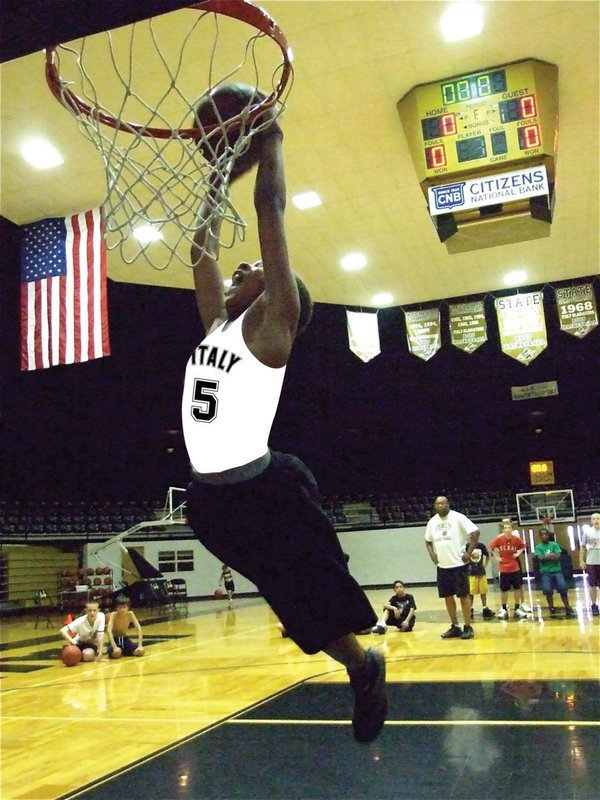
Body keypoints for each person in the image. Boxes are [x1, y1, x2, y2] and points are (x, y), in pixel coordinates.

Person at [181, 107, 386, 743]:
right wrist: (217, 174)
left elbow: (270, 208)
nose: (240, 269)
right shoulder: (220, 323)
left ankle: (362, 663)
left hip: (262, 490)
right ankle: (360, 662)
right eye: (239, 269)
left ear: (279, 298)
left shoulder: (273, 329)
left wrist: (270, 142)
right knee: (289, 603)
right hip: (209, 500)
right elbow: (199, 250)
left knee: (310, 594)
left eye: (253, 270)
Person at [424, 496, 479, 640]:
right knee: (447, 597)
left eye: (442, 503)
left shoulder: (458, 517)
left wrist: (469, 552)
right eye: (437, 503)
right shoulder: (432, 521)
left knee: (463, 595)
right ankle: (455, 626)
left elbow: (475, 532)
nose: (439, 505)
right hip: (443, 566)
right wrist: (432, 554)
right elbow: (427, 540)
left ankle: (468, 626)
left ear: (448, 504)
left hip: (458, 565)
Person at [488, 521, 532, 620]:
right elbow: (491, 547)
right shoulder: (499, 539)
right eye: (505, 528)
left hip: (514, 567)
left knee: (517, 588)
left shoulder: (516, 539)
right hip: (504, 569)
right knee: (504, 590)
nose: (507, 529)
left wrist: (518, 553)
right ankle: (504, 608)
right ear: (503, 529)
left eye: (509, 527)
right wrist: (496, 557)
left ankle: (517, 608)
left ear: (512, 529)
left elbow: (523, 546)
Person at [534, 529, 576, 618]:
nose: (544, 536)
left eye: (546, 534)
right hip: (545, 572)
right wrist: (550, 555)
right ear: (540, 536)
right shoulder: (538, 547)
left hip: (557, 571)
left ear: (549, 536)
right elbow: (540, 558)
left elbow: (558, 556)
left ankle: (567, 607)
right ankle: (551, 608)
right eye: (542, 535)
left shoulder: (554, 545)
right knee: (548, 590)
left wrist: (546, 556)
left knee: (562, 588)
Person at [579, 511, 600, 615]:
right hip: (592, 562)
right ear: (591, 521)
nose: (596, 520)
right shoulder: (587, 533)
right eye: (594, 519)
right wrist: (581, 560)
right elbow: (582, 547)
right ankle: (594, 605)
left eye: (598, 518)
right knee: (592, 585)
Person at [467, 541, 495, 619]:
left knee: (483, 591)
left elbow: (487, 555)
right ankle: (470, 608)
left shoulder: (481, 545)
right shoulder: (467, 546)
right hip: (471, 573)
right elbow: (463, 557)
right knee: (471, 592)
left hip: (481, 571)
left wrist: (485, 564)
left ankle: (484, 607)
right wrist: (466, 566)